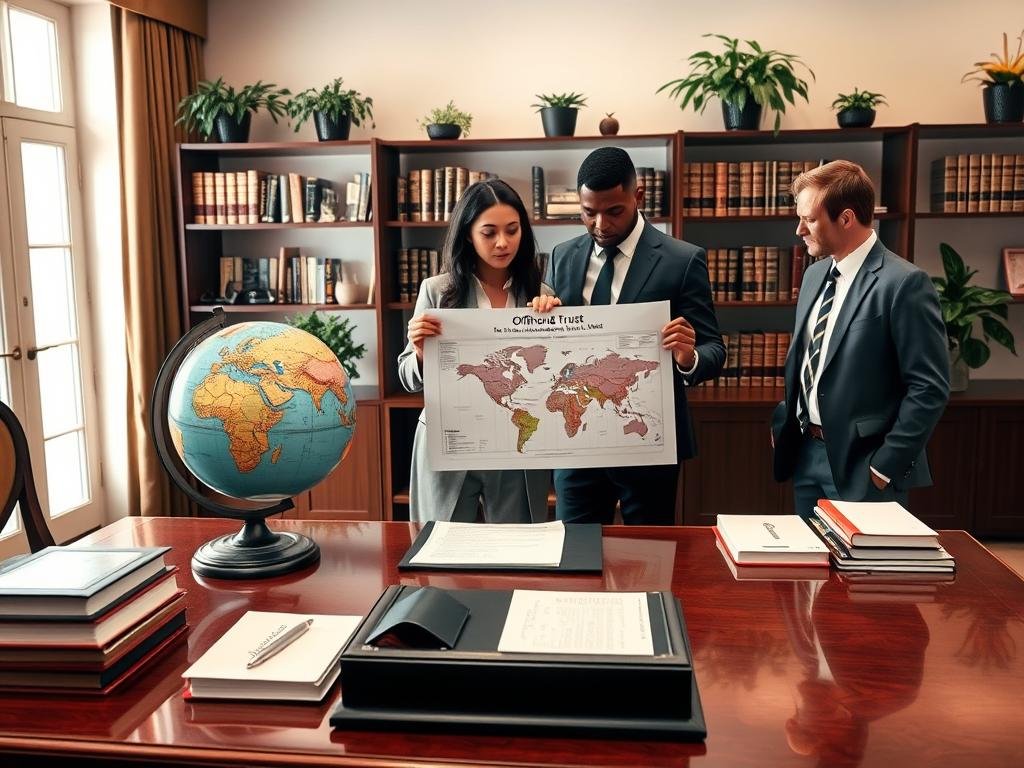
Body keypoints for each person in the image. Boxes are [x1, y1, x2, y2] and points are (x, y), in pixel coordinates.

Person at [537, 146, 724, 525]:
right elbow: (554, 348)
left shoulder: (682, 259)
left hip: (647, 441)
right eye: (589, 213)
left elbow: (714, 349)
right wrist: (541, 319)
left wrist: (689, 358)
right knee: (574, 556)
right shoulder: (562, 256)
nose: (600, 224)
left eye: (614, 211)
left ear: (637, 197)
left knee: (649, 561)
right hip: (578, 439)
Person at [771, 160, 950, 518]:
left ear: (847, 218)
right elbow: (809, 359)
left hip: (865, 468)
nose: (799, 230)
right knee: (811, 571)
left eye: (808, 219)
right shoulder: (814, 276)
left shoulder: (904, 284)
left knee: (862, 574)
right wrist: (785, 420)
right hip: (805, 455)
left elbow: (929, 387)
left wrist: (885, 466)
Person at [398, 179, 558, 524]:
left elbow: (554, 375)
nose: (503, 242)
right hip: (450, 441)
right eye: (489, 233)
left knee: (517, 556)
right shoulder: (437, 291)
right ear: (468, 234)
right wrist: (420, 352)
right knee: (443, 554)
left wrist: (557, 327)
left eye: (512, 230)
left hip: (516, 442)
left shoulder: (541, 295)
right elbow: (408, 377)